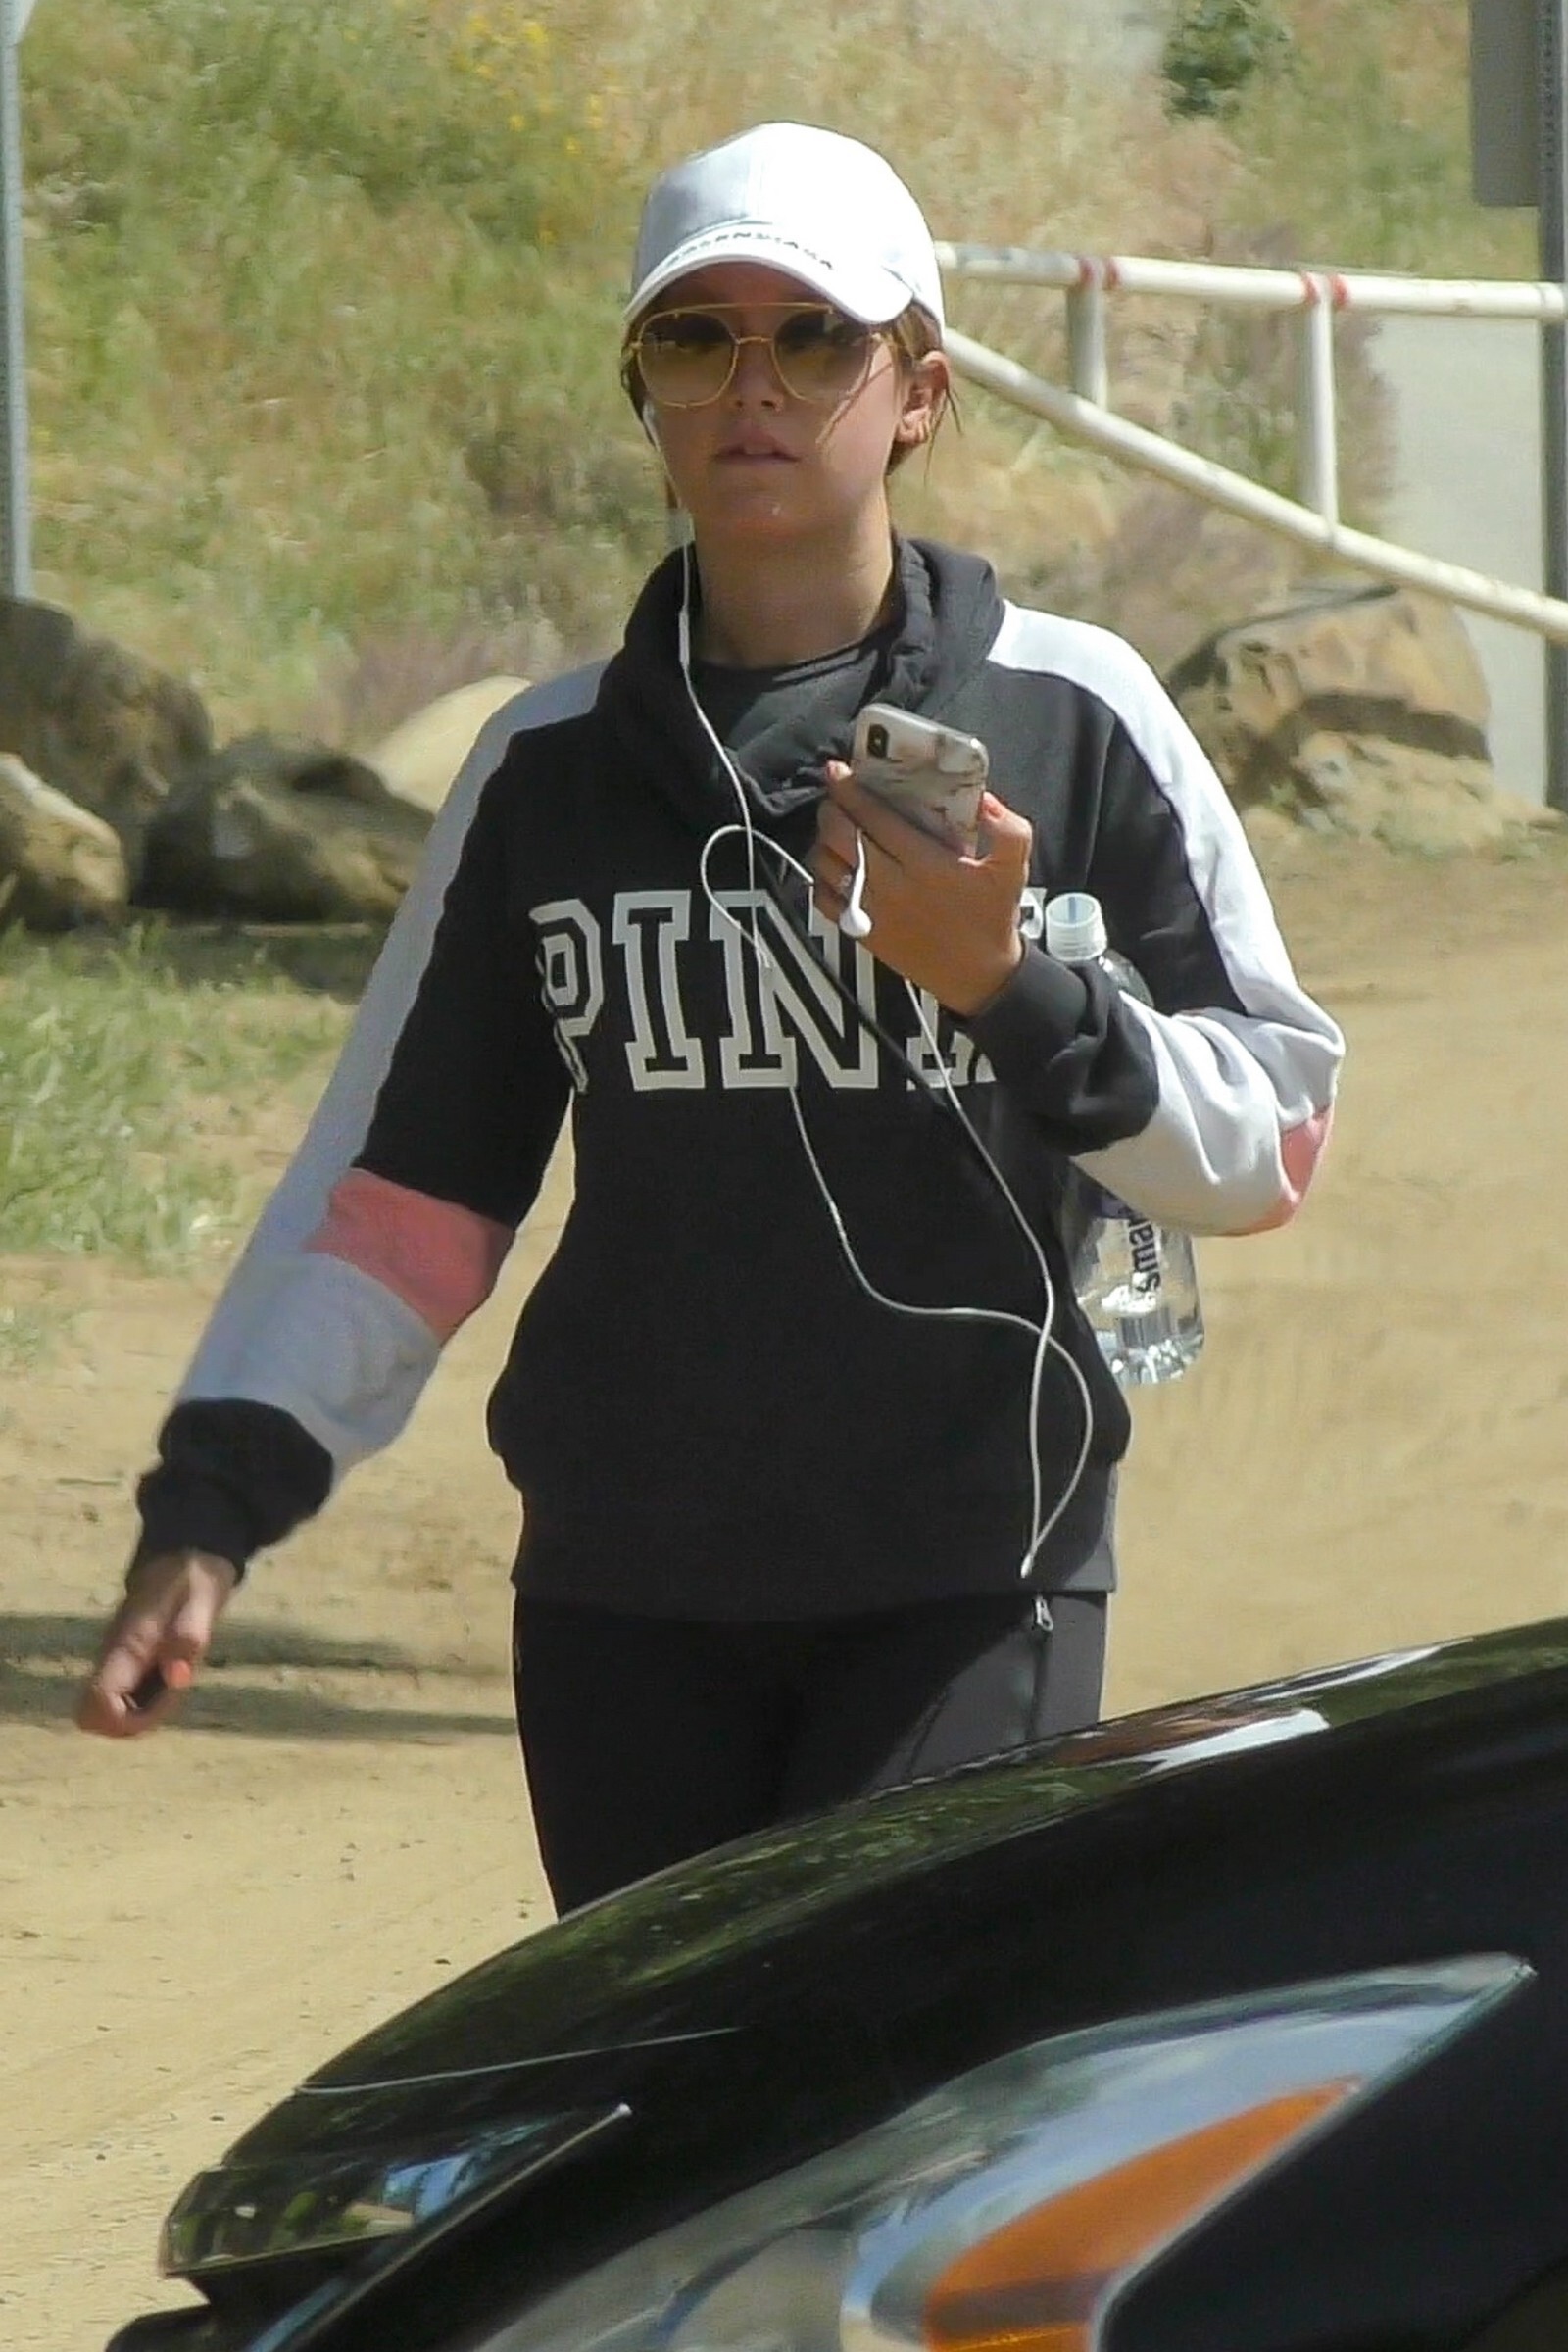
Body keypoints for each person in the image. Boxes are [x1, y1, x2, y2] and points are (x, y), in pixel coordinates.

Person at [76, 122, 1344, 1914]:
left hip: (970, 1572)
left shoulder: (1076, 714)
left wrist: (1003, 981)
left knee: (884, 2052)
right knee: (666, 2078)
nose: (753, 385)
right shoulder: (544, 769)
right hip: (625, 1594)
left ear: (918, 390)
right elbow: (403, 1198)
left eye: (813, 338)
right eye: (696, 339)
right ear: (644, 397)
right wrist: (213, 1510)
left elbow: (1271, 1138)